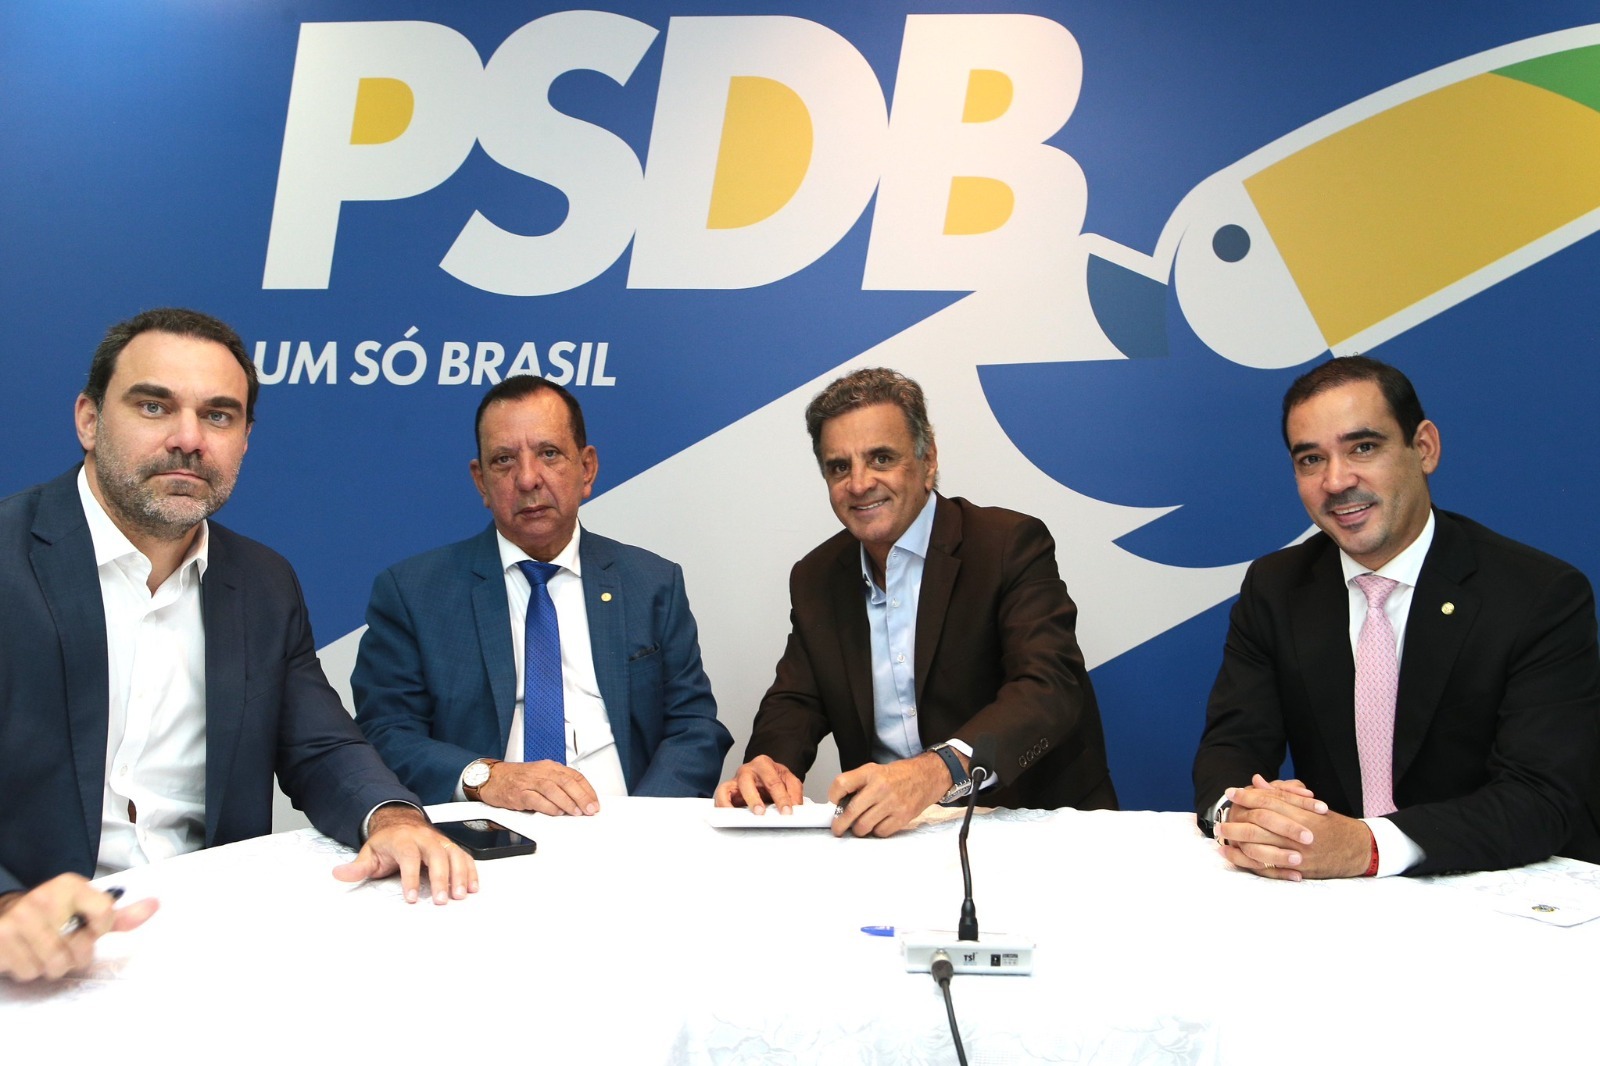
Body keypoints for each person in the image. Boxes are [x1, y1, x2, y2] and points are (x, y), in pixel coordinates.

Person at [0, 309, 477, 981]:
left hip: (213, 941)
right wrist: (7, 908)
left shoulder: (262, 582)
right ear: (88, 419)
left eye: (218, 416)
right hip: (36, 961)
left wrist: (393, 818)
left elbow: (322, 747)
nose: (189, 439)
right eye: (154, 406)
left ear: (245, 439)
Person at [1193, 355, 1600, 879]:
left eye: (1363, 447)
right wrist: (1242, 815)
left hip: (1497, 885)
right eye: (1311, 459)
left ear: (1423, 448)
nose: (1336, 480)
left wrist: (1368, 846)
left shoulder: (1538, 594)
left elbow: (1543, 797)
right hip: (1332, 891)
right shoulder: (1275, 587)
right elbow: (1233, 746)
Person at [715, 367, 1116, 836]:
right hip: (889, 837)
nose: (859, 483)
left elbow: (1049, 686)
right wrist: (770, 766)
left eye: (881, 458)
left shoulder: (1007, 544)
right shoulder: (816, 576)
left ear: (928, 461)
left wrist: (936, 770)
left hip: (1029, 824)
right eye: (839, 467)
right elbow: (797, 699)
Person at [353, 376, 731, 815]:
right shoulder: (414, 593)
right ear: (480, 481)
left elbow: (694, 727)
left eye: (549, 453)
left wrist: (641, 826)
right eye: (504, 460)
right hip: (487, 835)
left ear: (586, 469)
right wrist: (486, 777)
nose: (528, 478)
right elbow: (386, 734)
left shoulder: (651, 582)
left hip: (629, 828)